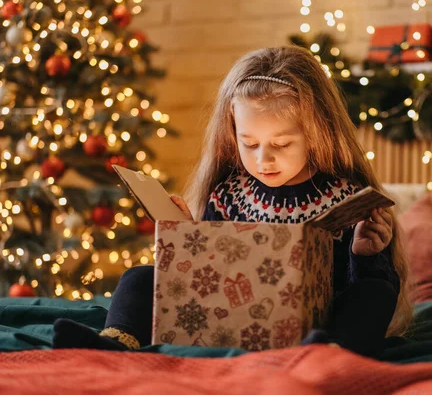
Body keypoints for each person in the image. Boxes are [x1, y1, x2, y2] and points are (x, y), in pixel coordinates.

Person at [53, 46, 412, 357]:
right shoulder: (228, 196)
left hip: (313, 327)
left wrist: (364, 256)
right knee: (139, 277)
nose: (263, 160)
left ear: (316, 133)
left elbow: (366, 291)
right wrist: (185, 242)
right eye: (249, 143)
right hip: (229, 317)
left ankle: (329, 354)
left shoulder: (346, 199)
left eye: (282, 144)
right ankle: (117, 342)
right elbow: (204, 279)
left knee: (374, 292)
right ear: (232, 134)